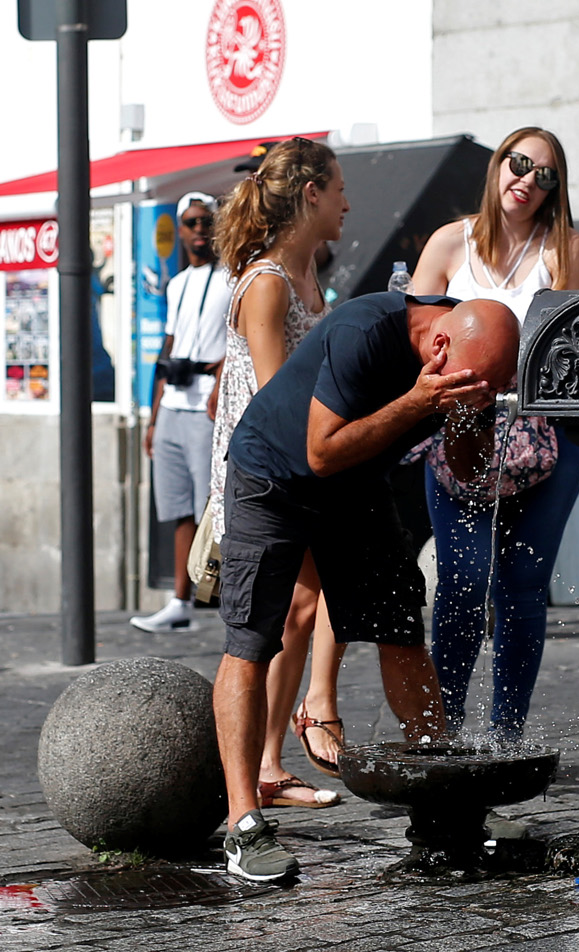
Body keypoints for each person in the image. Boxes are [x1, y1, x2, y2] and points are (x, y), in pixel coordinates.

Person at [214, 290, 518, 882]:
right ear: (439, 346)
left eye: (492, 390)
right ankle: (243, 823)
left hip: (355, 485)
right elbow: (321, 453)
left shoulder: (472, 355)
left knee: (401, 631)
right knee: (252, 639)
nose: (483, 394)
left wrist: (461, 416)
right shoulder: (366, 331)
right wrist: (417, 402)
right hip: (273, 475)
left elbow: (469, 468)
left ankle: (443, 799)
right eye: (477, 385)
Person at [409, 128, 579, 739]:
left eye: (546, 175)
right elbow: (413, 334)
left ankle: (507, 732)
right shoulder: (448, 243)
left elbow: (576, 349)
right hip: (460, 428)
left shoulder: (563, 247)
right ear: (497, 166)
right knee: (462, 578)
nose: (528, 181)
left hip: (544, 434)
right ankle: (446, 727)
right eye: (520, 164)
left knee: (523, 582)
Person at [210, 138, 347, 812]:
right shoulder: (265, 285)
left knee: (301, 610)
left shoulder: (310, 277)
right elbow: (274, 398)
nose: (349, 202)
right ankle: (259, 769)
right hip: (267, 473)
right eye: (340, 189)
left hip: (303, 463)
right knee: (269, 620)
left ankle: (269, 762)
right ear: (312, 194)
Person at [130, 192, 230, 633]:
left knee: (215, 506)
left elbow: (241, 342)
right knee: (177, 510)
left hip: (207, 405)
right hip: (172, 405)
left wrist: (219, 375)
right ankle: (179, 601)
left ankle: (229, 597)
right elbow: (166, 350)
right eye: (190, 222)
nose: (197, 230)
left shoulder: (232, 278)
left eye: (205, 221)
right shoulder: (176, 284)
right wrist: (152, 419)